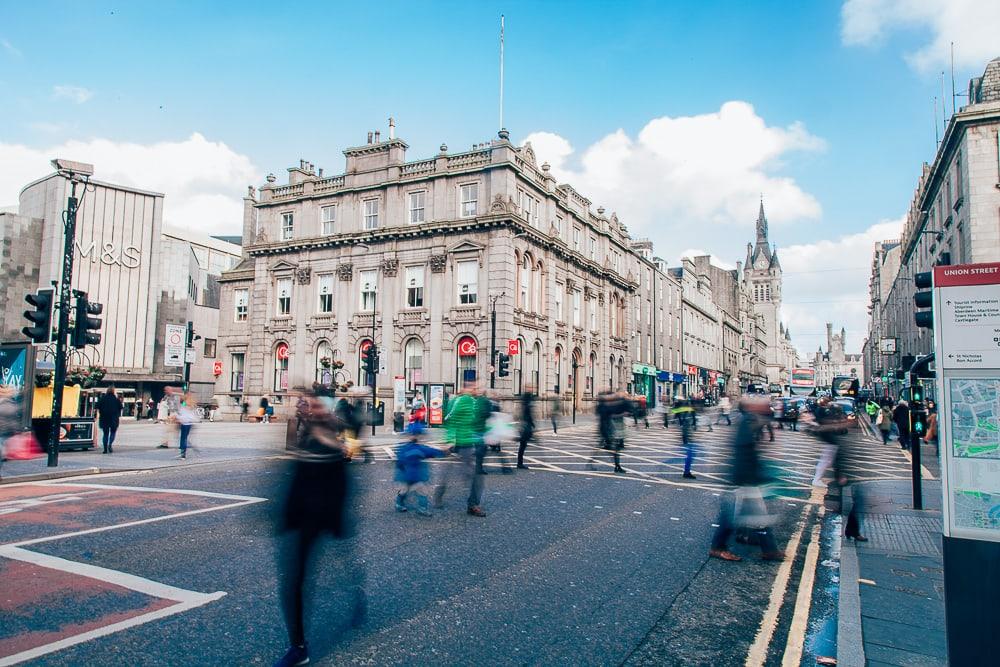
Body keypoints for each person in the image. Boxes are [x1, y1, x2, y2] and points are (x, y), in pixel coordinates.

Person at [274, 392, 365, 667]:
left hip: (327, 515)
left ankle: (355, 595)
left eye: (315, 405)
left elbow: (347, 466)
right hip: (302, 519)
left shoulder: (336, 432)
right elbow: (291, 461)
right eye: (307, 405)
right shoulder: (303, 432)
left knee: (339, 567)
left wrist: (337, 518)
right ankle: (299, 646)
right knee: (294, 582)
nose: (309, 408)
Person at [709, 396, 783, 562]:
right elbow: (744, 451)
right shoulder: (748, 421)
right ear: (754, 407)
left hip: (748, 478)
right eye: (764, 405)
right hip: (743, 478)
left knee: (760, 515)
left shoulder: (751, 420)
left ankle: (770, 550)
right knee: (731, 517)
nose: (767, 408)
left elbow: (752, 450)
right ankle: (717, 547)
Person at [434, 379, 491, 517]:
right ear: (468, 388)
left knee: (469, 474)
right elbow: (450, 419)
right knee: (472, 476)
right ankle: (471, 504)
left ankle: (442, 496)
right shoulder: (462, 401)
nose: (476, 390)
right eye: (474, 387)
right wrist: (449, 441)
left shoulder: (471, 401)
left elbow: (475, 422)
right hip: (459, 443)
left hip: (468, 441)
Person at [394, 421, 446, 515]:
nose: (416, 436)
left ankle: (404, 504)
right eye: (414, 434)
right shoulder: (415, 448)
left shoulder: (411, 448)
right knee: (406, 490)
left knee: (417, 490)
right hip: (408, 475)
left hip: (409, 475)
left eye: (418, 434)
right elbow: (430, 451)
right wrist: (442, 452)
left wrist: (442, 452)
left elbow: (430, 451)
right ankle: (408, 505)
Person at [594, 390, 627, 473]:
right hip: (607, 430)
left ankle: (591, 464)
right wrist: (622, 414)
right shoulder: (604, 407)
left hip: (606, 429)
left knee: (610, 449)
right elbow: (612, 415)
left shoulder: (602, 406)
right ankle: (617, 466)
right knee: (614, 449)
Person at [0, 384, 24, 482]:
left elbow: (12, 419)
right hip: (5, 431)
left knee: (1, 453)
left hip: (3, 432)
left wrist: (17, 431)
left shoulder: (7, 403)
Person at [672, 400, 697, 479]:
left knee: (689, 455)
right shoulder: (687, 413)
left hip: (686, 436)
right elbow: (686, 425)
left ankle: (687, 471)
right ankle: (686, 472)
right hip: (687, 437)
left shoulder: (681, 412)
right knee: (690, 455)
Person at [96, 386, 123, 454]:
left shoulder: (103, 398)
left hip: (104, 418)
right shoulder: (116, 399)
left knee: (105, 434)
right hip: (114, 418)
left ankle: (105, 448)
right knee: (113, 432)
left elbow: (97, 406)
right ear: (114, 391)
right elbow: (121, 407)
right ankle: (110, 444)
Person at [517, 386, 536, 470]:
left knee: (523, 444)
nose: (532, 389)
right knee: (523, 444)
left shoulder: (528, 398)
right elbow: (526, 413)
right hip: (525, 425)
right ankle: (519, 463)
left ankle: (520, 463)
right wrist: (530, 422)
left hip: (526, 424)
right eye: (530, 388)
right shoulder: (526, 399)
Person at [175, 394, 198, 459]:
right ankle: (185, 449)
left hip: (184, 423)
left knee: (183, 438)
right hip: (189, 423)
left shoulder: (184, 404)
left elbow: (181, 412)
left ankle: (183, 453)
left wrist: (178, 418)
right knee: (184, 437)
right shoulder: (191, 405)